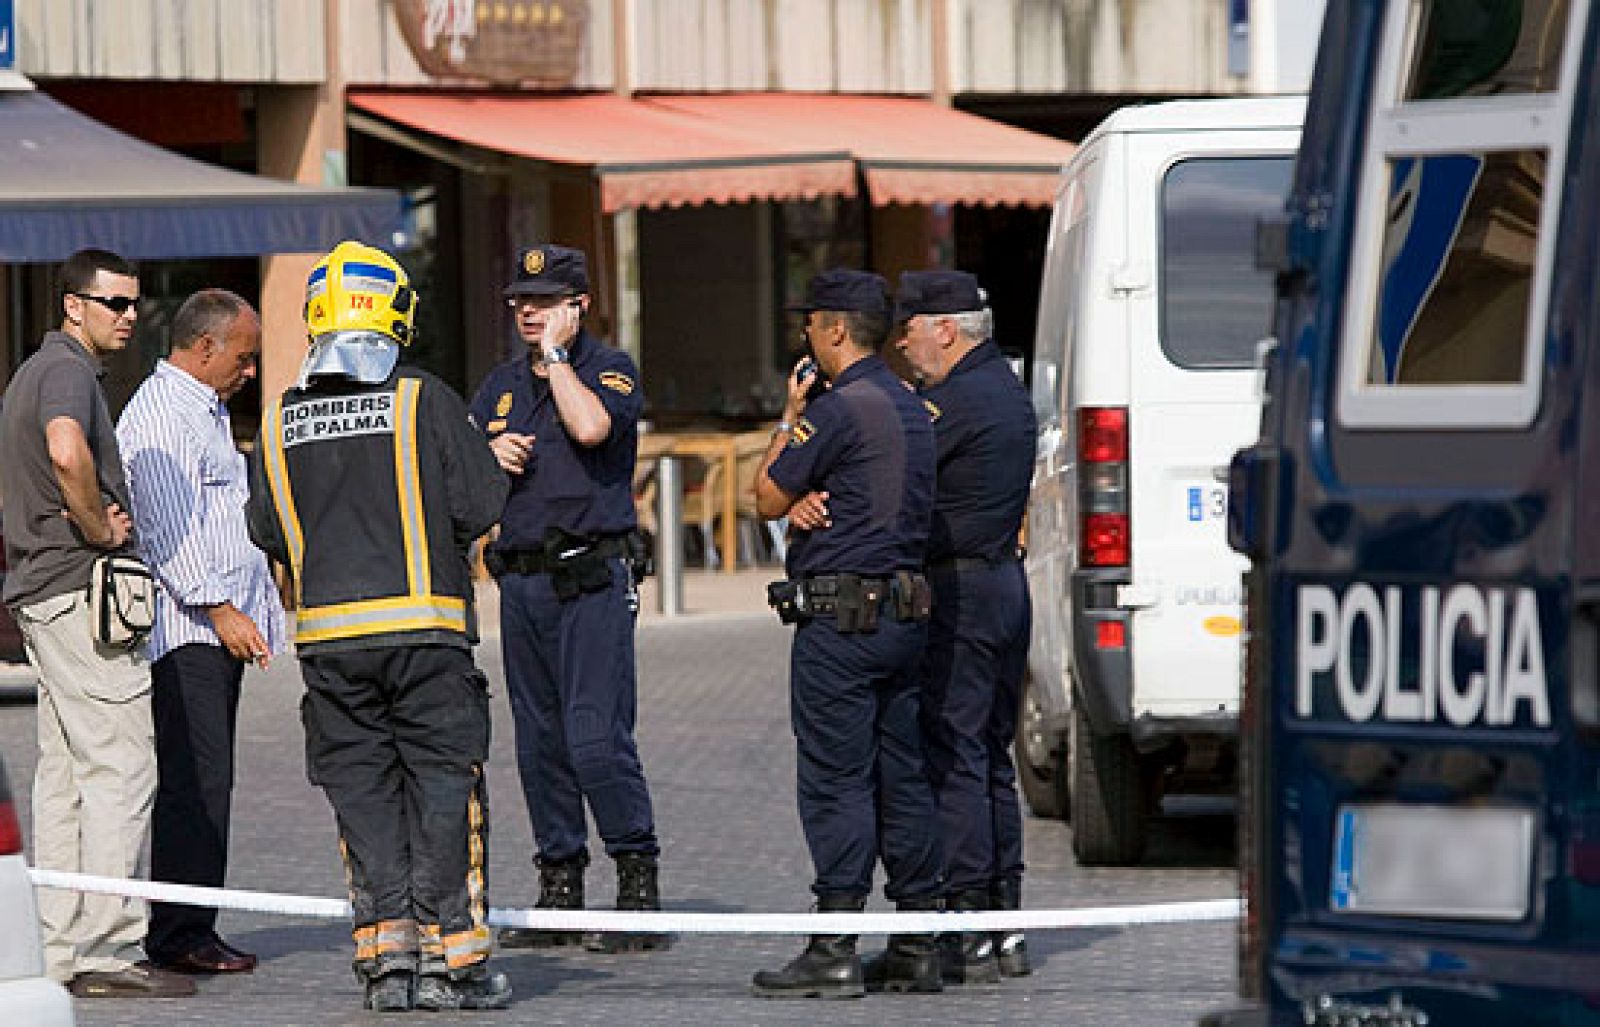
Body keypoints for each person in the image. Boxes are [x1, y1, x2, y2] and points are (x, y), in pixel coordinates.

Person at [245, 242, 511, 1012]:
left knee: (361, 799)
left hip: (329, 652)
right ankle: (453, 964)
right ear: (397, 316)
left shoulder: (275, 423)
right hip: (426, 641)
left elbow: (267, 528)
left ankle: (386, 968)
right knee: (441, 793)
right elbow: (482, 504)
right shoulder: (422, 400)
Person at [0, 248, 194, 998]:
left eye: (135, 302)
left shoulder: (35, 371)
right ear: (72, 304)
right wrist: (98, 528)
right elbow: (64, 447)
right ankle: (109, 948)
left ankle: (60, 944)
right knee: (120, 765)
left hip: (46, 594)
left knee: (68, 774)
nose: (128, 315)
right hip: (79, 590)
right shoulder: (65, 372)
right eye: (112, 302)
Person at [469, 243, 668, 953]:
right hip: (522, 581)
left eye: (546, 300)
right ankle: (560, 880)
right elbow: (466, 488)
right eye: (523, 301)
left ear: (579, 304)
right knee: (540, 743)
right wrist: (486, 460)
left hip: (590, 577)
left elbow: (590, 428)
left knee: (594, 735)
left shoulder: (606, 368)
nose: (530, 311)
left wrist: (556, 361)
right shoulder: (495, 388)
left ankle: (636, 878)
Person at [750, 270, 943, 999]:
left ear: (835, 329)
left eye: (811, 325)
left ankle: (834, 941)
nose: (805, 337)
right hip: (903, 615)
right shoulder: (910, 404)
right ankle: (921, 936)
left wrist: (789, 416)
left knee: (836, 780)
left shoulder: (834, 411)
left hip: (840, 621)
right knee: (903, 777)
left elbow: (765, 493)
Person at [116, 289, 286, 976]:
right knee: (195, 782)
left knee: (211, 780)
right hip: (187, 631)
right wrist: (220, 609)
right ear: (206, 346)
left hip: (216, 628)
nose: (250, 371)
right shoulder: (160, 414)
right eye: (244, 358)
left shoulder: (205, 409)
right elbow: (165, 530)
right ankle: (179, 932)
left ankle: (194, 921)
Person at [892, 270, 1036, 983]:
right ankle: (1005, 916)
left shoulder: (954, 402)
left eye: (910, 328)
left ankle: (969, 914)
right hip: (1003, 581)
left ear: (945, 328)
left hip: (964, 590)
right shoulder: (1004, 388)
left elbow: (898, 470)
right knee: (990, 754)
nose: (901, 342)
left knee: (953, 753)